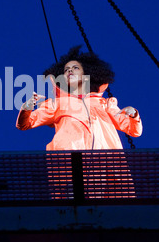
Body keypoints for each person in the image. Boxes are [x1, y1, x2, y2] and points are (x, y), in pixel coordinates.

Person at [15, 45, 143, 199]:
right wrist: (27, 107)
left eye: (75, 68)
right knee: (72, 202)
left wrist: (133, 115)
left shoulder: (105, 104)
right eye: (66, 69)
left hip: (104, 161)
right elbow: (25, 124)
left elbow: (133, 131)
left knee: (104, 203)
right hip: (70, 161)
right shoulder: (57, 104)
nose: (69, 71)